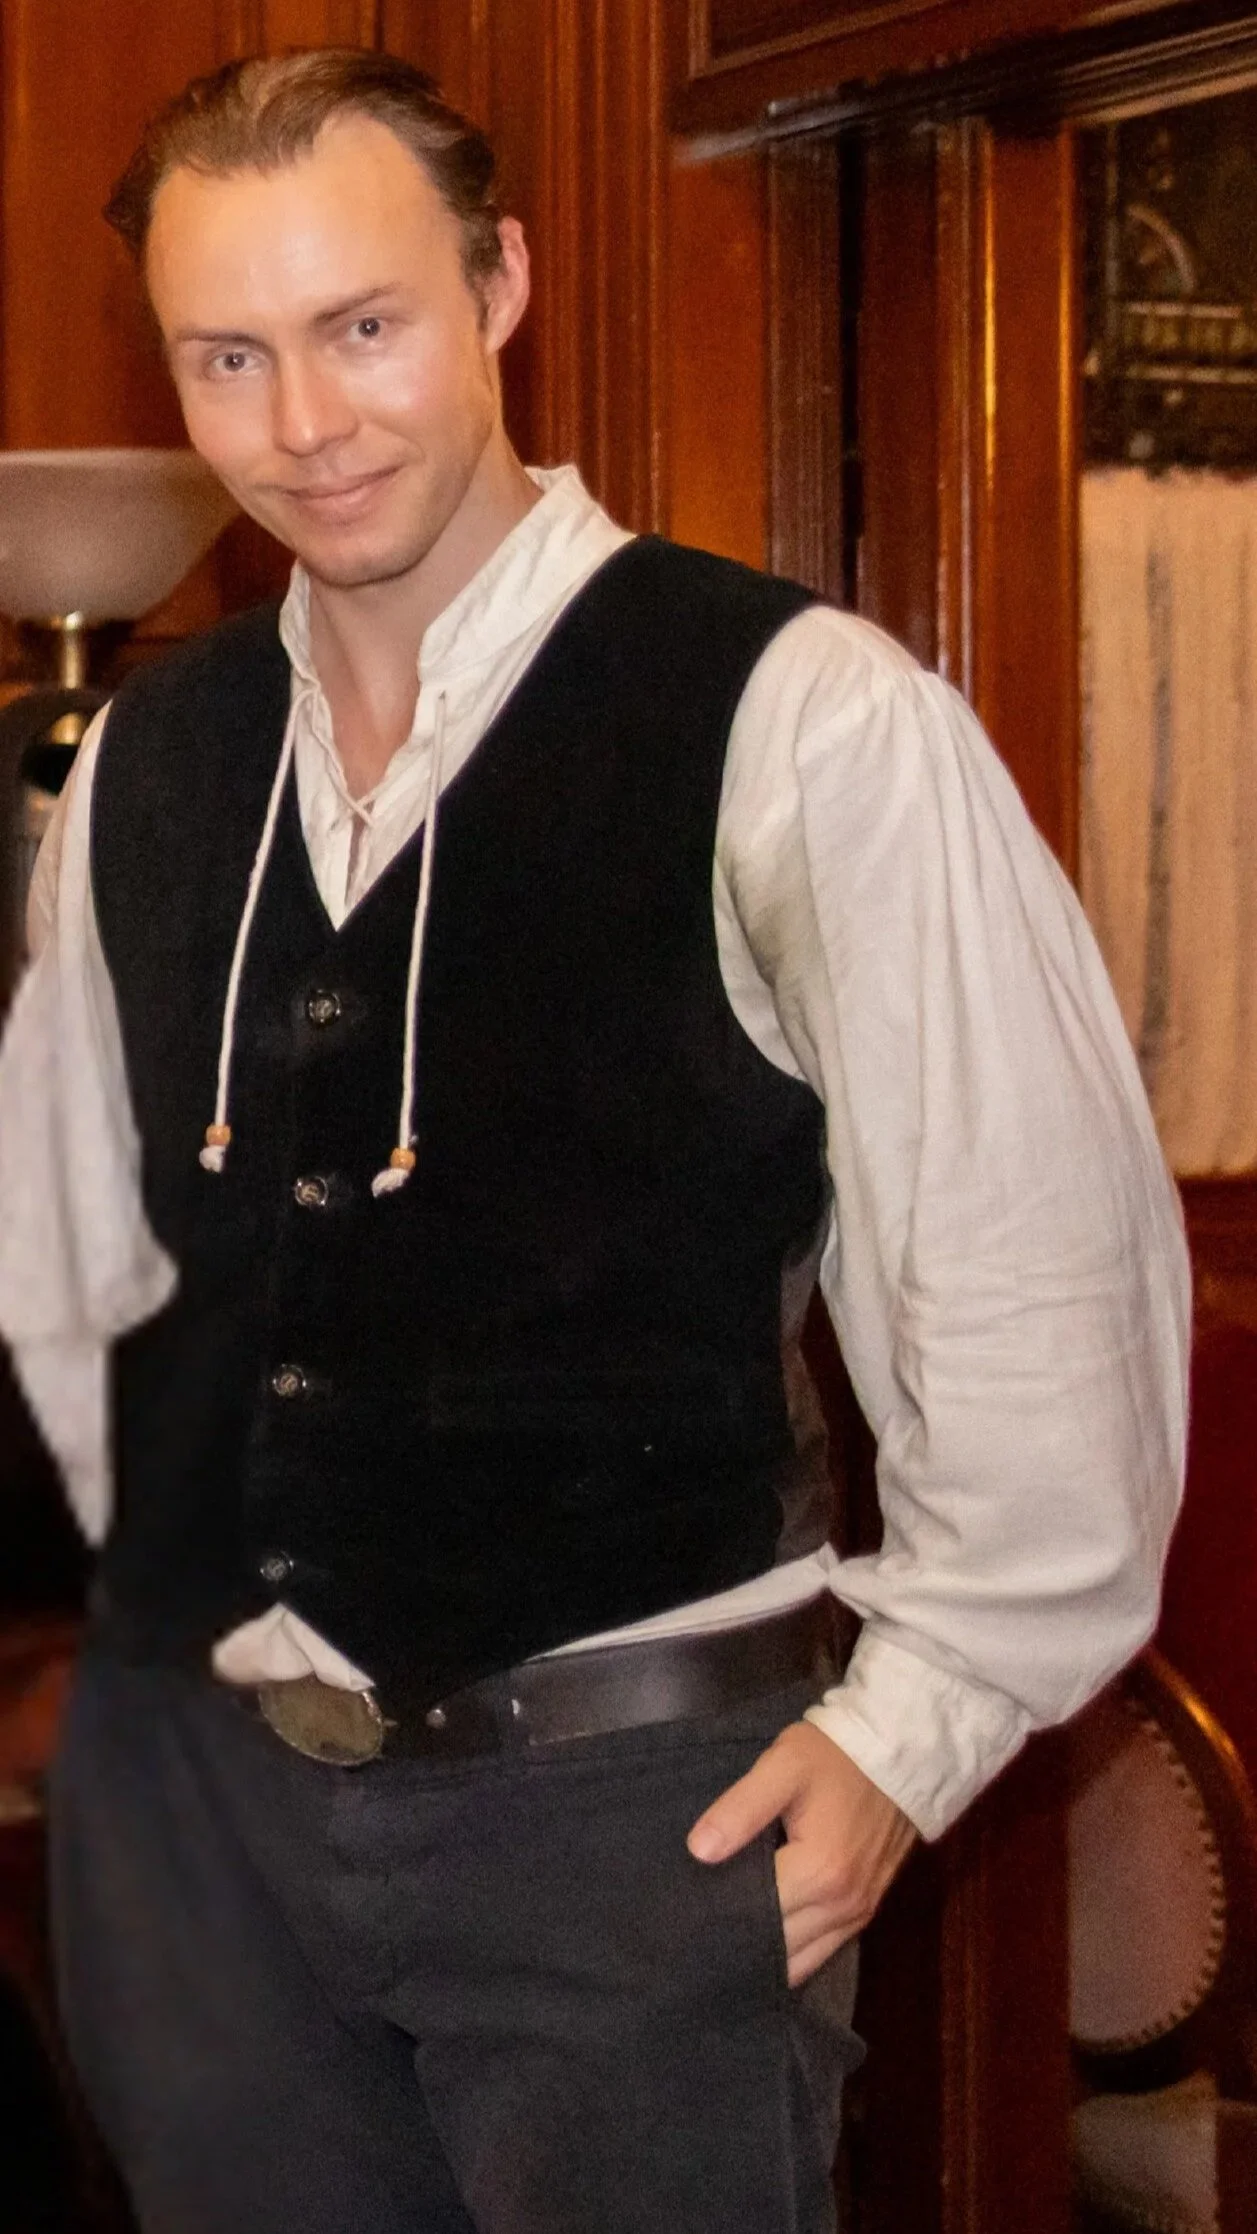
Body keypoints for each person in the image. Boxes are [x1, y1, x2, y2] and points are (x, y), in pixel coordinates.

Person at [0, 47, 1189, 2234]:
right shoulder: (147, 768)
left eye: (365, 327)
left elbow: (1030, 1281)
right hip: (223, 1854)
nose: (308, 420)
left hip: (641, 1822)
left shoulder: (806, 718)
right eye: (229, 357)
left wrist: (902, 1739)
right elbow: (65, 1261)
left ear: (501, 285)